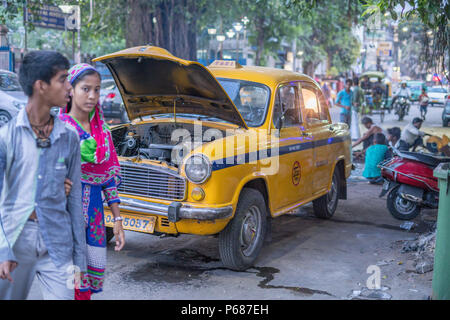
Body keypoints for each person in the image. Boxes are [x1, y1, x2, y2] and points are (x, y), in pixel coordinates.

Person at [0, 51, 86, 300]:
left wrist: (79, 260)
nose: (69, 87)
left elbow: (75, 201)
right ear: (41, 86)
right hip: (16, 243)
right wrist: (4, 250)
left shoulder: (68, 138)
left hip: (58, 245)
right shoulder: (6, 139)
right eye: (62, 79)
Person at [59, 63, 125, 300]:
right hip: (66, 215)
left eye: (97, 90)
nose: (92, 96)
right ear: (71, 90)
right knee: (66, 284)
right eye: (85, 89)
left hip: (95, 216)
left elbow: (108, 179)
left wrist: (117, 219)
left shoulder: (103, 133)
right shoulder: (60, 130)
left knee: (88, 282)